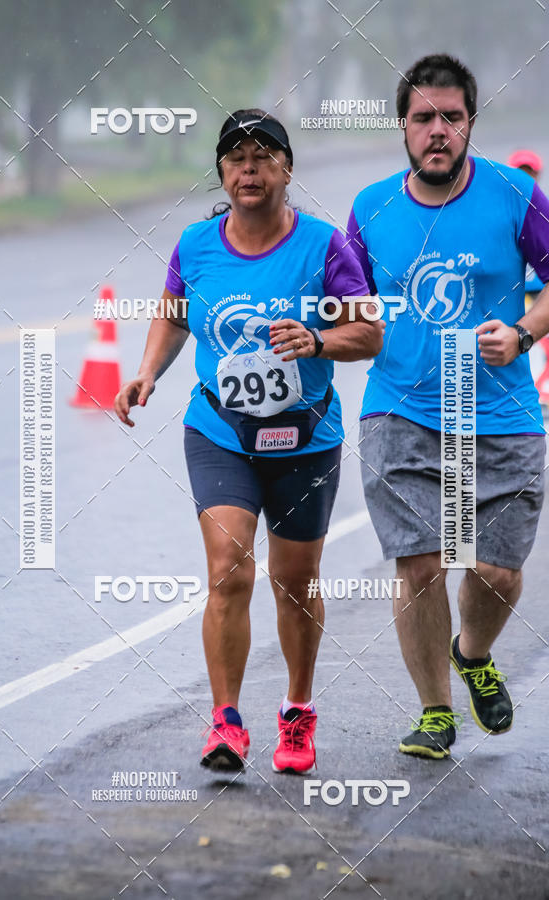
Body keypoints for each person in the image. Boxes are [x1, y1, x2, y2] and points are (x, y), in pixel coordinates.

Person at [115, 109, 383, 774]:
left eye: (263, 157)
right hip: (220, 431)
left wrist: (317, 339)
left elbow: (370, 332)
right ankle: (226, 723)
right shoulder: (196, 244)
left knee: (294, 582)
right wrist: (147, 372)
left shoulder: (323, 247)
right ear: (222, 172)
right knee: (229, 571)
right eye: (236, 159)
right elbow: (173, 316)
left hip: (306, 437)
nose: (249, 169)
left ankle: (296, 713)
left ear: (287, 170)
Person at [346, 54, 549, 759]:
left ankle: (473, 653)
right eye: (424, 118)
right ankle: (436, 712)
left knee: (494, 570)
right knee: (421, 564)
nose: (439, 131)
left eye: (452, 118)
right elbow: (347, 306)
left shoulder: (514, 194)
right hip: (399, 408)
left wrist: (524, 332)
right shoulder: (370, 208)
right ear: (403, 125)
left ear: (470, 124)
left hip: (498, 412)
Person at [507, 150, 545, 297]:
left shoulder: (544, 209)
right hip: (514, 292)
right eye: (519, 173)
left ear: (537, 174)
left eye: (529, 172)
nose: (524, 178)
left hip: (541, 290)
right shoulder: (501, 211)